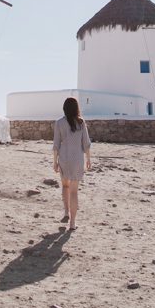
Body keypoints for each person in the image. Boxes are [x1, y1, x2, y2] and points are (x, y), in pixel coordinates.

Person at [53, 97, 91, 231]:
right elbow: (85, 143)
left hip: (64, 157)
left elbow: (56, 144)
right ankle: (72, 223)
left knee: (65, 186)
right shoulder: (81, 123)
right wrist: (88, 159)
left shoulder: (59, 123)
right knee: (74, 191)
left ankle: (66, 212)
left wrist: (55, 162)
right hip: (77, 159)